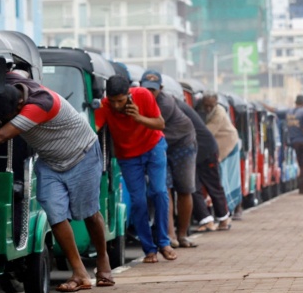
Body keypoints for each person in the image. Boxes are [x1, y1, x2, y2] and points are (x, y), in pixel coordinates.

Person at [0, 75, 116, 291]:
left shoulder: (40, 105)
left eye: (7, 116)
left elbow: (0, 136)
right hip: (50, 161)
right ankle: (79, 273)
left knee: (90, 214)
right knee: (55, 215)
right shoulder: (15, 82)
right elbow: (0, 72)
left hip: (82, 155)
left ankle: (103, 260)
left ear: (19, 104)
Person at [95, 75, 177, 263]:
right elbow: (95, 128)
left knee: (158, 192)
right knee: (138, 201)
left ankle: (164, 242)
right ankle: (149, 249)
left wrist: (138, 117)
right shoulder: (105, 105)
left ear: (128, 94)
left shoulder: (143, 95)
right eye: (113, 101)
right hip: (127, 156)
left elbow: (160, 123)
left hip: (153, 147)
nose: (116, 106)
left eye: (121, 101)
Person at [140, 70, 198, 249]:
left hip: (182, 144)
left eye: (153, 90)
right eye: (146, 89)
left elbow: (147, 128)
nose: (150, 93)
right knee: (163, 189)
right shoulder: (135, 99)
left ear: (161, 89)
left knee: (184, 189)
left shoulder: (164, 103)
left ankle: (182, 235)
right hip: (159, 145)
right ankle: (170, 235)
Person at [193, 91, 239, 230]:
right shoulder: (198, 108)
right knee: (201, 185)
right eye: (206, 105)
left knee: (214, 184)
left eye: (210, 106)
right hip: (203, 150)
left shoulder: (219, 112)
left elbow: (205, 133)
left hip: (223, 145)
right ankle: (212, 219)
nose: (208, 108)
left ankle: (224, 218)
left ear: (216, 102)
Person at [285, 94, 303, 194]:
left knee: (302, 165)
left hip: (294, 142)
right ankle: (302, 188)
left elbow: (274, 110)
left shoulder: (289, 112)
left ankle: (301, 186)